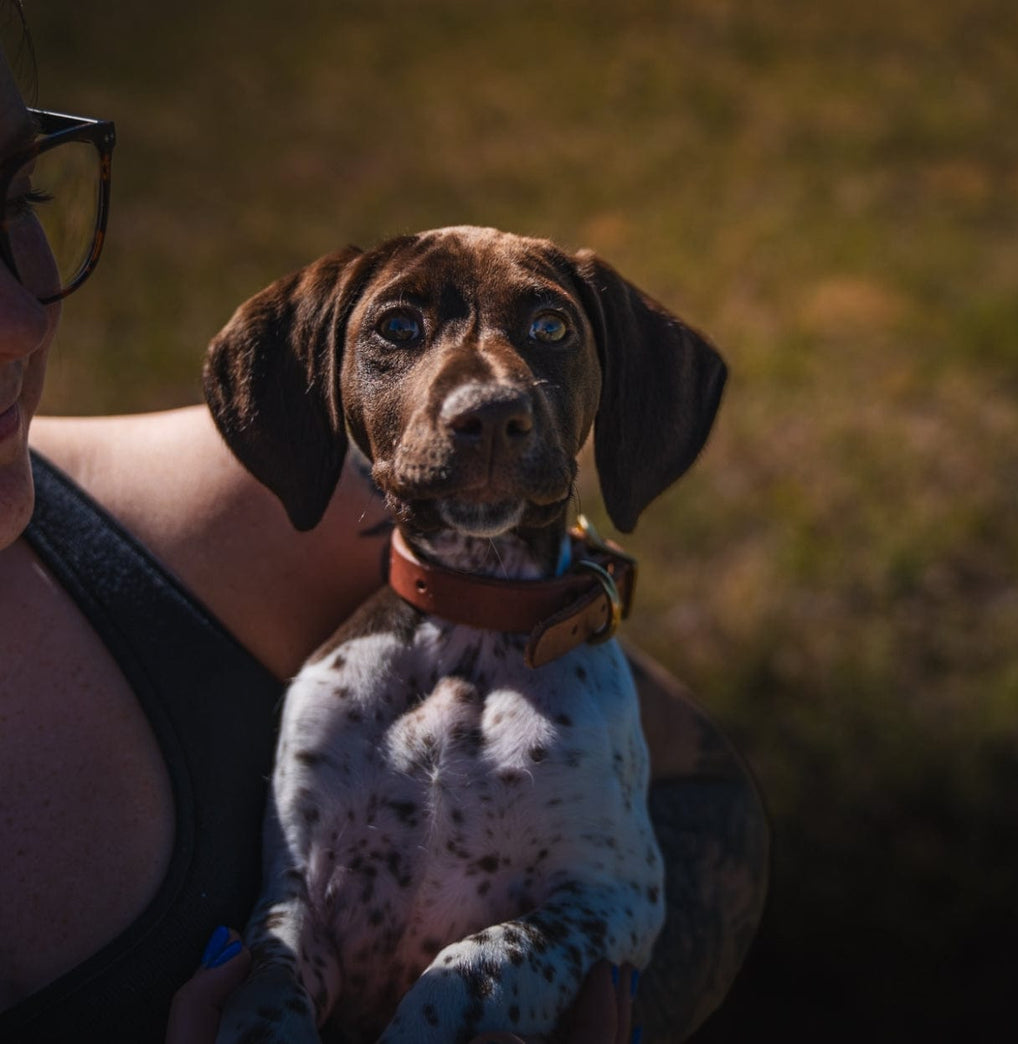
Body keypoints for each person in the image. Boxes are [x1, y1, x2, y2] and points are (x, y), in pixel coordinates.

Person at [0, 8, 768, 1042]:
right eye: (400, 330)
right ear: (319, 383)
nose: (487, 396)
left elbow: (696, 810)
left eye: (21, 193)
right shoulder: (334, 676)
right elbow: (296, 923)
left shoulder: (241, 529)